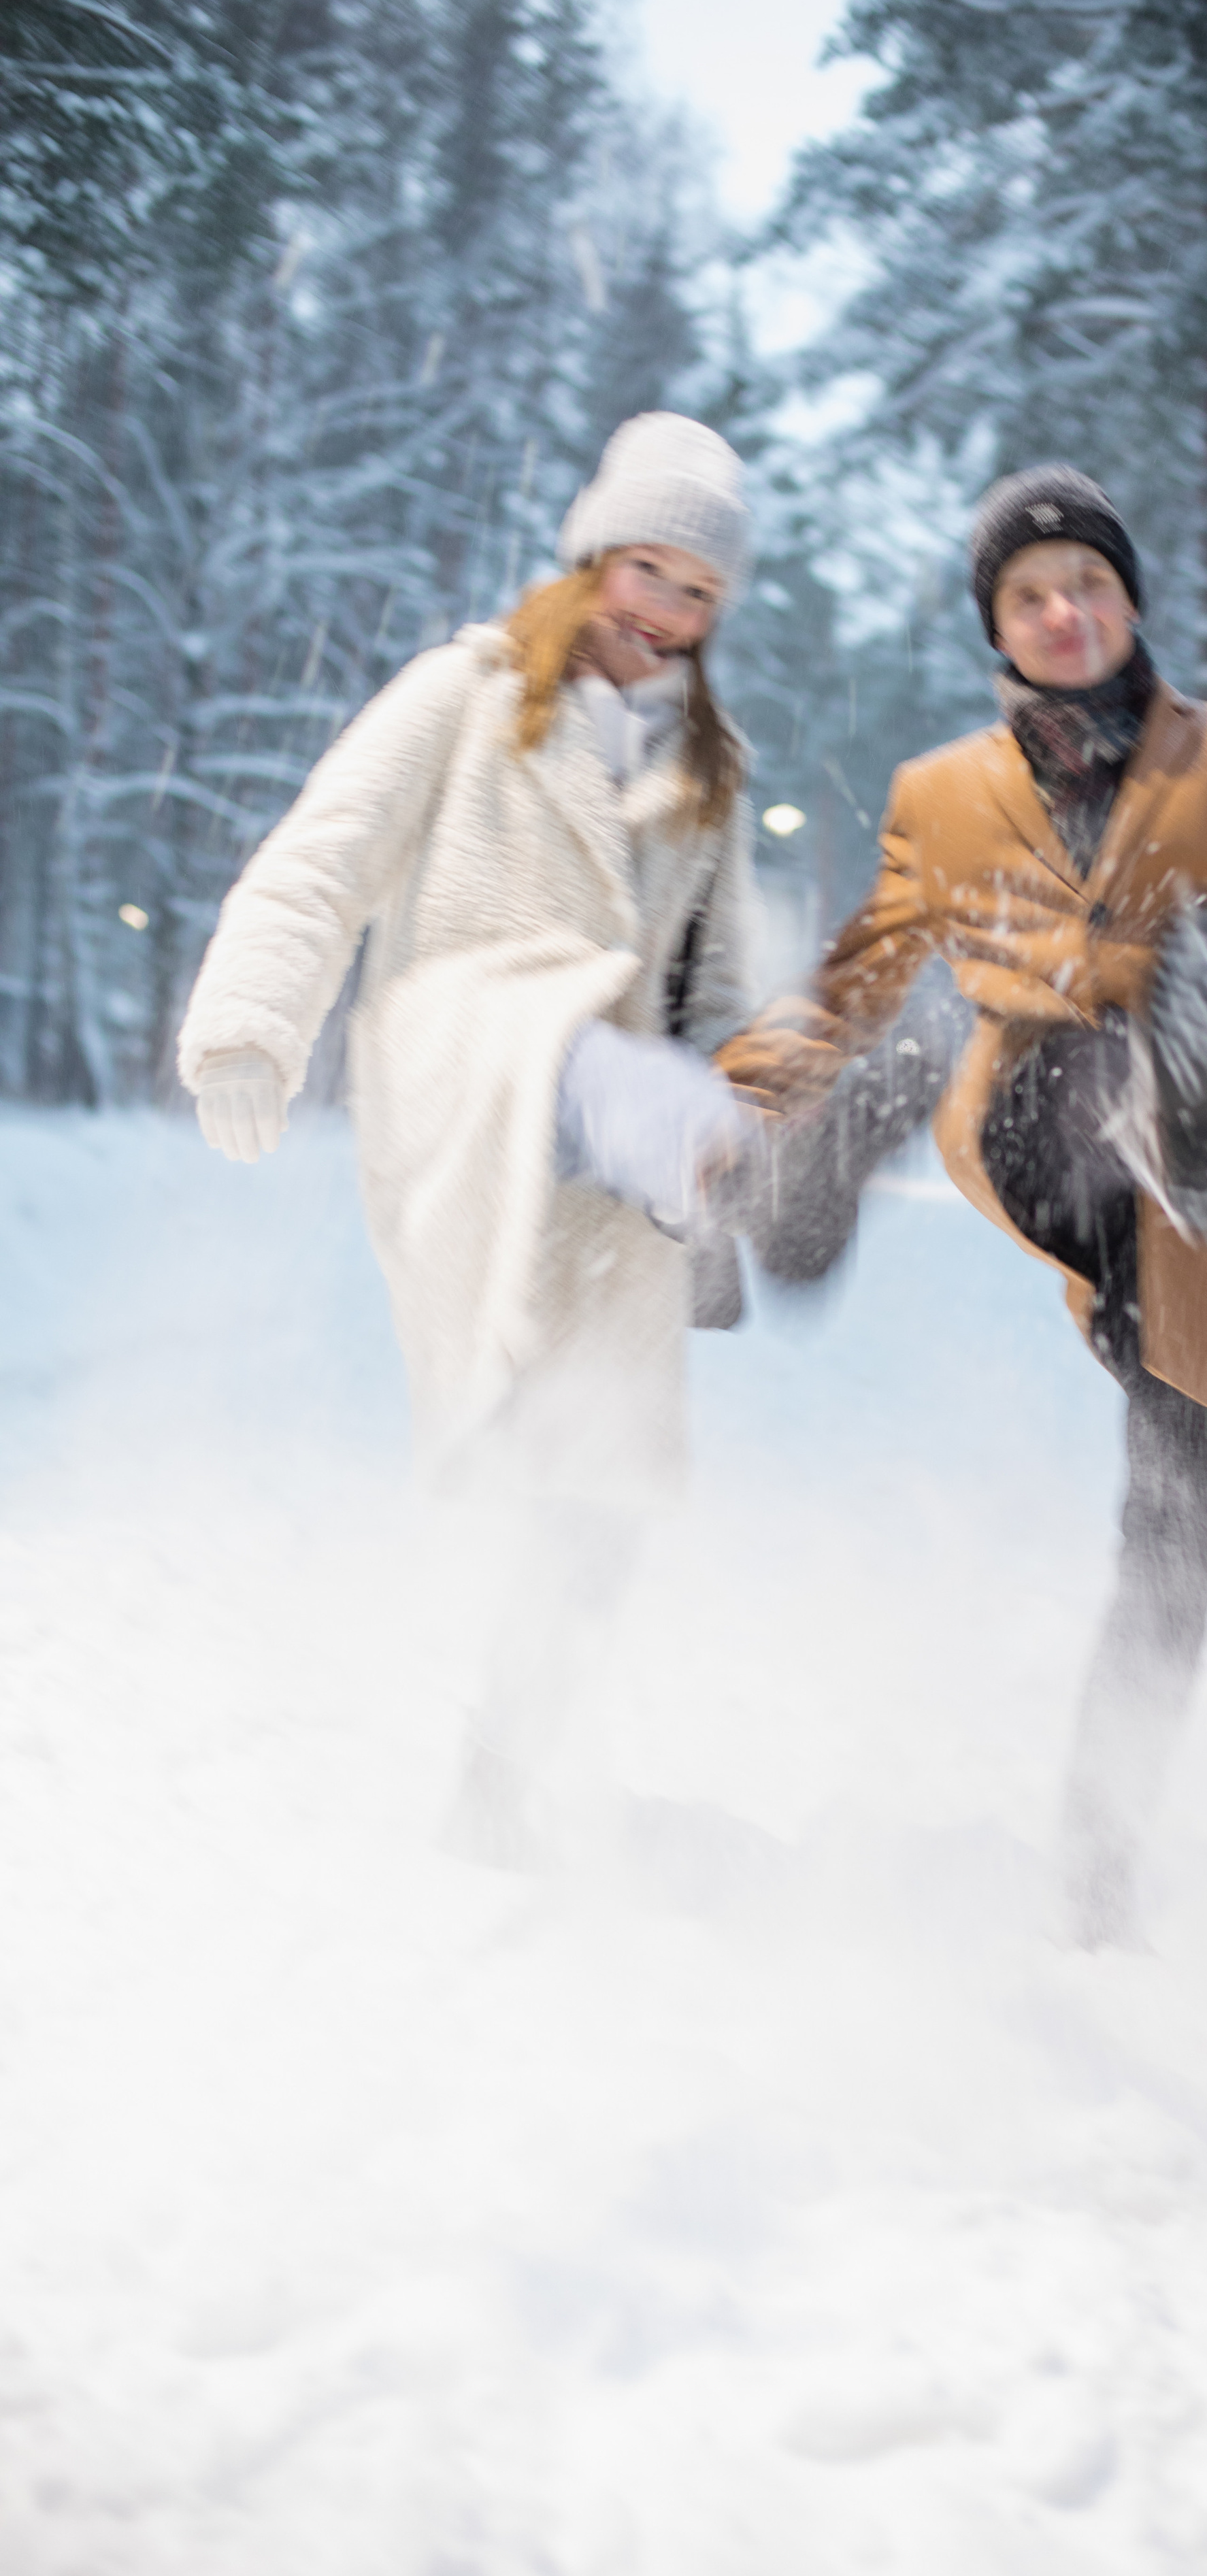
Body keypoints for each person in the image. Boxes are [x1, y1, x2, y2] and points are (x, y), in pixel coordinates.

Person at [714, 466, 1207, 1946]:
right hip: (1040, 1117)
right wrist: (738, 1100)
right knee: (942, 1035)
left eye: (1084, 584)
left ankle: (1099, 1865)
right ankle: (833, 1163)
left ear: (1127, 600)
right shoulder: (943, 795)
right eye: (1029, 595)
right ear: (1000, 628)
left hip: (1202, 1215)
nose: (1062, 611)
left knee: (1176, 1534)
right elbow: (855, 966)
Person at [177, 412, 757, 1865]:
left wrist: (749, 1086)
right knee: (587, 1057)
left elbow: (718, 991)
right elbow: (327, 853)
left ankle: (495, 1788)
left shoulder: (705, 771)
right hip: (472, 1054)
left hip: (609, 1151)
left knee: (598, 1494)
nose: (664, 615)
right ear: (590, 556)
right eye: (647, 571)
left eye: (697, 592)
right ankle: (709, 1155)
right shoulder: (470, 689)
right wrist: (251, 1021)